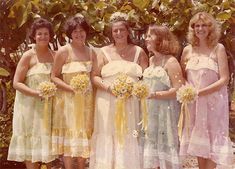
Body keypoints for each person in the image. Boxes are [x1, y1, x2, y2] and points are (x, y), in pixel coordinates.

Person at [89, 12, 148, 169]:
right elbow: (94, 77)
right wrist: (110, 88)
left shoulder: (139, 52)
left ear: (128, 32)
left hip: (131, 101)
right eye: (115, 31)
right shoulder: (103, 52)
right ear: (111, 33)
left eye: (122, 30)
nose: (119, 33)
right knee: (108, 131)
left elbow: (146, 78)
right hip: (107, 99)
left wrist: (135, 90)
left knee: (130, 131)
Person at [180, 12, 233, 169]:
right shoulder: (187, 50)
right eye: (196, 25)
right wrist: (188, 91)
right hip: (194, 104)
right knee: (199, 139)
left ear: (210, 28)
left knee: (213, 138)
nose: (200, 28)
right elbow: (182, 77)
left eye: (204, 25)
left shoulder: (218, 48)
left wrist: (200, 92)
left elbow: (224, 78)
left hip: (214, 102)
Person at [7, 18, 56, 169]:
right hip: (29, 107)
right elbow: (16, 83)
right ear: (34, 36)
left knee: (47, 146)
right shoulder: (28, 55)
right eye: (39, 34)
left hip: (49, 107)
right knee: (31, 147)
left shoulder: (55, 55)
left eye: (46, 34)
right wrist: (36, 93)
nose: (43, 37)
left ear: (50, 36)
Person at [51, 14, 95, 169]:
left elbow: (94, 78)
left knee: (83, 134)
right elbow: (54, 77)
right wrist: (71, 89)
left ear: (86, 32)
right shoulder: (63, 51)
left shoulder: (91, 52)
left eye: (81, 30)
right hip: (68, 101)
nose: (78, 33)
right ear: (70, 33)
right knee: (70, 135)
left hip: (87, 102)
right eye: (75, 31)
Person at [143, 24, 184, 169]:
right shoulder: (151, 60)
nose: (146, 39)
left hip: (165, 111)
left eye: (150, 36)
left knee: (166, 146)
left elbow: (179, 90)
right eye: (147, 36)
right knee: (152, 148)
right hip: (150, 111)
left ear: (160, 39)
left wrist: (154, 95)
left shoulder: (171, 61)